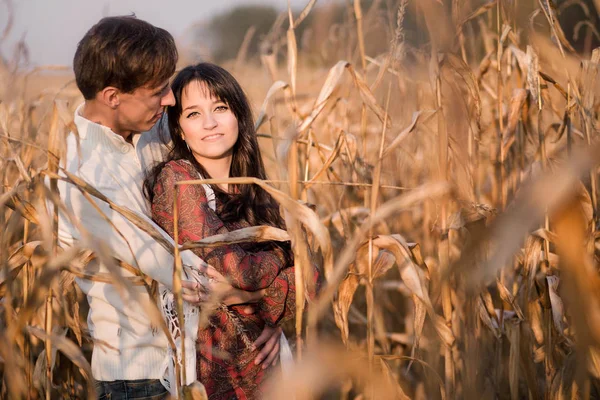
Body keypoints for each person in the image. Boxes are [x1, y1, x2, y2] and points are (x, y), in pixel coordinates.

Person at [56, 16, 281, 399]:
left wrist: (270, 317)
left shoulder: (148, 125)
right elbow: (193, 278)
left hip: (192, 366)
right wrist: (273, 300)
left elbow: (207, 128)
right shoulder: (86, 180)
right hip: (139, 377)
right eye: (158, 91)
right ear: (113, 97)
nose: (170, 100)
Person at [144, 63, 320, 399]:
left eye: (220, 108)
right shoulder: (178, 180)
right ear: (179, 129)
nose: (210, 123)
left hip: (271, 373)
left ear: (238, 115)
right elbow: (238, 269)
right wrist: (280, 276)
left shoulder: (261, 193)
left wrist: (261, 306)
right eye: (193, 114)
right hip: (213, 376)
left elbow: (316, 281)